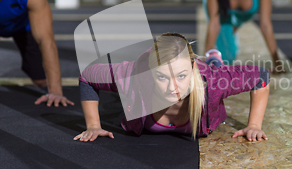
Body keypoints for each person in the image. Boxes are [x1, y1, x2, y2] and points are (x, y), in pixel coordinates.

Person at [75, 32, 270, 142]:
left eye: (181, 76)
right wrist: (93, 126)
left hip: (207, 72)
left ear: (192, 67)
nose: (172, 87)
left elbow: (261, 77)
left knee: (214, 70)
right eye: (162, 77)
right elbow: (87, 76)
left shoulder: (212, 82)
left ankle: (213, 58)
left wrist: (254, 125)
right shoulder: (133, 76)